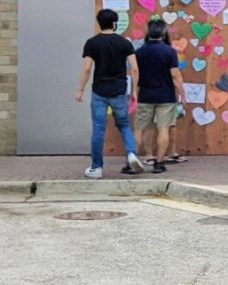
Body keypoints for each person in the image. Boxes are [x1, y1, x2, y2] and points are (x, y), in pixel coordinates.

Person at [77, 9, 144, 178]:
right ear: (115, 24)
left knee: (98, 129)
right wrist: (134, 90)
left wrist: (80, 89)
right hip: (119, 90)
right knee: (124, 125)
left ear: (99, 23)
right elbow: (134, 69)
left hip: (99, 91)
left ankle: (96, 167)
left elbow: (87, 69)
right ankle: (131, 154)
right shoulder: (125, 43)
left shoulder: (92, 43)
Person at [133, 20, 185, 174]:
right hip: (165, 97)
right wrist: (182, 93)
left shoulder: (139, 52)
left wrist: (134, 92)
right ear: (163, 33)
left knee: (140, 129)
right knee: (163, 129)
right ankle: (159, 162)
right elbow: (175, 75)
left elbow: (135, 74)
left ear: (148, 32)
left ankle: (132, 160)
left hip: (145, 96)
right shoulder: (169, 52)